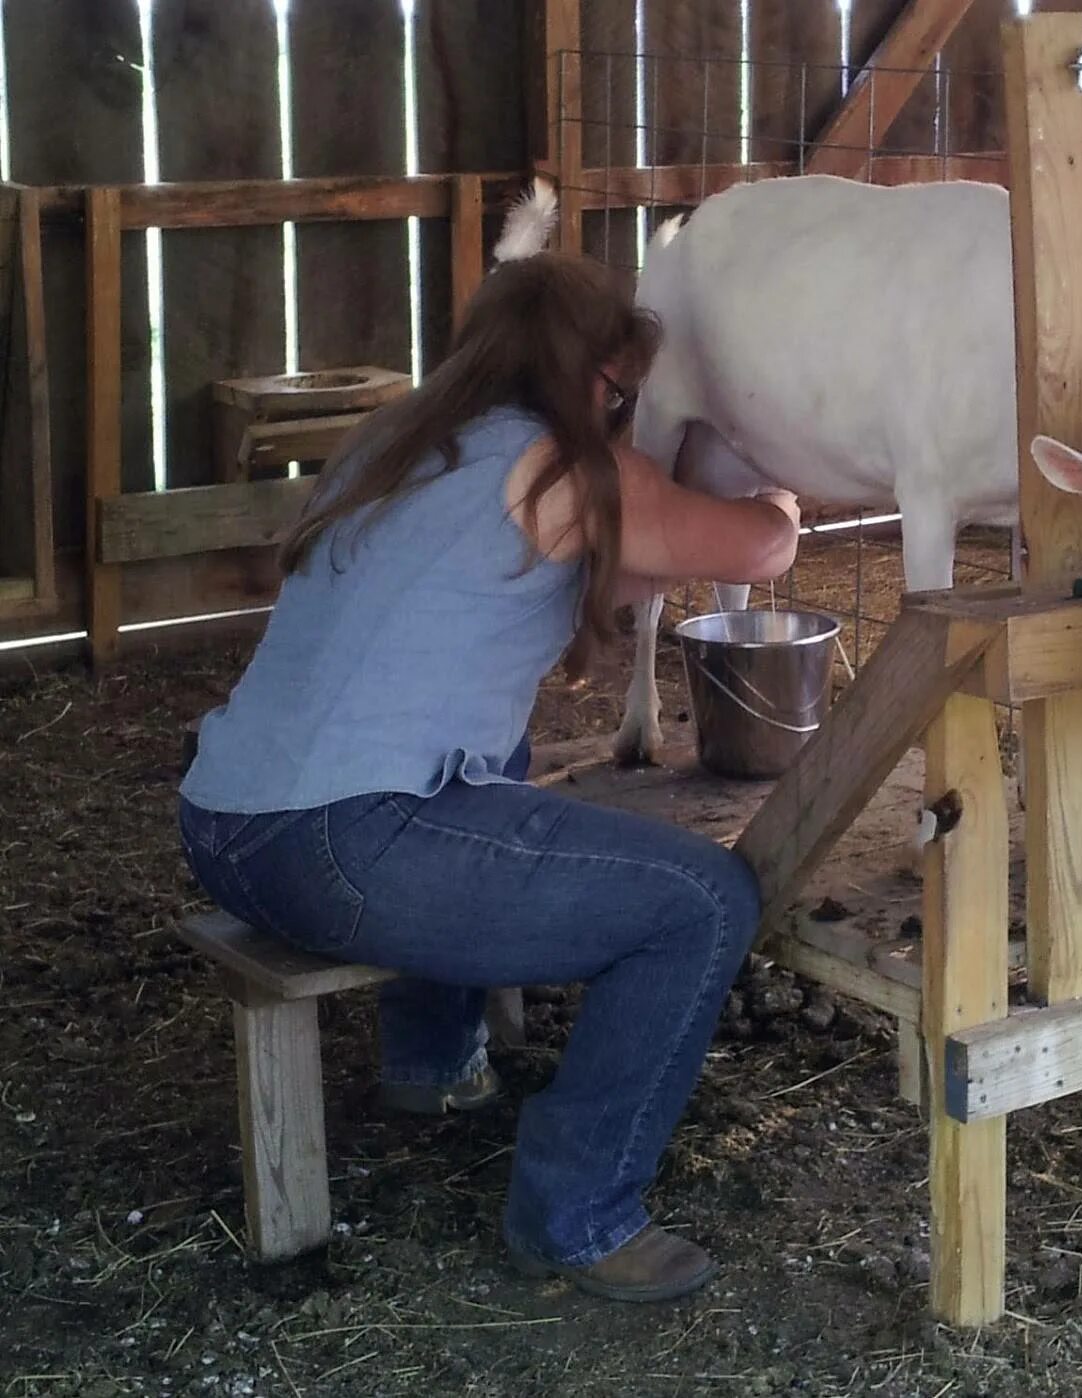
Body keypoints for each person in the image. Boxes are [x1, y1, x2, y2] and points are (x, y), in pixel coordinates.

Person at [177, 247, 801, 1304]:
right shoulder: (564, 468)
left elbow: (631, 557)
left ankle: (433, 1065)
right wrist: (782, 493)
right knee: (701, 902)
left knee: (487, 770)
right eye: (622, 392)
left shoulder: (392, 444)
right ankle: (578, 1215)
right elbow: (756, 554)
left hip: (225, 822)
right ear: (594, 380)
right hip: (343, 846)